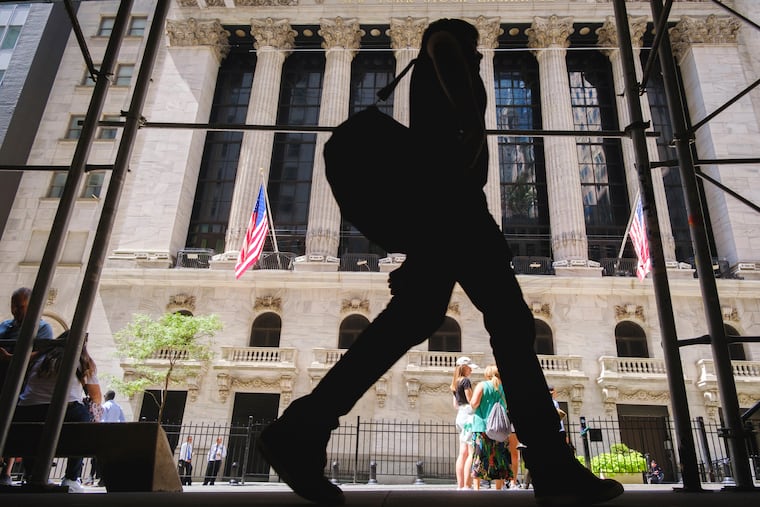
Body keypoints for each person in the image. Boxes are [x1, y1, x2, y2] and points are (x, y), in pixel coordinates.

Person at [257, 18, 623, 507]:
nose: (476, 54)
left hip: (450, 209)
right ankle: (553, 466)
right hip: (455, 208)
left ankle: (301, 428)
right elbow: (447, 54)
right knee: (509, 322)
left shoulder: (443, 62)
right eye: (474, 48)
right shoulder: (446, 45)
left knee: (417, 318)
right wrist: (472, 119)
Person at [12, 332, 101, 493]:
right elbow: (96, 397)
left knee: (30, 432)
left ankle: (32, 475)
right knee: (82, 420)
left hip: (26, 410)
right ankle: (71, 478)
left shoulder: (39, 358)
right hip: (65, 412)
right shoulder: (82, 361)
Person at [0, 287, 54, 487]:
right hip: (3, 381)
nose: (15, 310)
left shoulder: (42, 328)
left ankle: (13, 471)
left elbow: (40, 353)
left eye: (20, 306)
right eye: (14, 305)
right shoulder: (5, 326)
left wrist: (11, 358)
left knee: (19, 427)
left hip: (23, 386)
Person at [468, 365, 510, 490]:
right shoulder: (504, 388)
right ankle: (498, 487)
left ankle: (477, 487)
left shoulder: (482, 385)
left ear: (487, 374)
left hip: (482, 425)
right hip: (499, 428)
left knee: (479, 456)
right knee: (499, 457)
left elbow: (474, 404)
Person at [451, 356, 476, 490]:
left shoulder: (455, 383)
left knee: (462, 452)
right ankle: (467, 484)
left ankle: (460, 485)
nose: (471, 369)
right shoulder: (465, 381)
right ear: (464, 367)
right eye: (469, 367)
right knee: (471, 451)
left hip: (460, 415)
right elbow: (471, 400)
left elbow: (455, 404)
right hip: (468, 416)